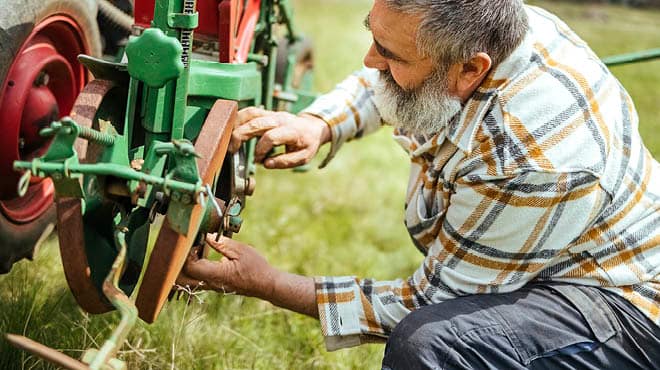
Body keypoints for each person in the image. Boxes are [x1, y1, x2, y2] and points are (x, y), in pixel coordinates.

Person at [179, 0, 660, 368]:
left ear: (471, 69)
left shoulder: (534, 159)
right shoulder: (485, 27)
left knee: (431, 344)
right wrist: (320, 123)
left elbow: (434, 302)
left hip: (625, 305)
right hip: (546, 248)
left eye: (387, 52)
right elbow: (390, 77)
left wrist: (268, 284)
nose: (369, 59)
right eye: (374, 37)